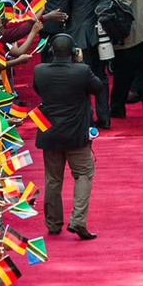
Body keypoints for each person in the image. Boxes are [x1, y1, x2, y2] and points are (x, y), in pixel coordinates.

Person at [34, 34, 102, 239]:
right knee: (84, 174)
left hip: (49, 133)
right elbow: (98, 87)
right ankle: (78, 220)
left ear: (52, 52)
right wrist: (81, 63)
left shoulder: (40, 71)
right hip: (76, 135)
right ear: (74, 52)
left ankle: (53, 223)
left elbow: (39, 91)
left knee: (52, 179)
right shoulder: (81, 70)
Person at [56, 0, 117, 128]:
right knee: (102, 75)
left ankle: (88, 119)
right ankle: (105, 118)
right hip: (102, 31)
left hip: (80, 36)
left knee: (83, 78)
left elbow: (64, 13)